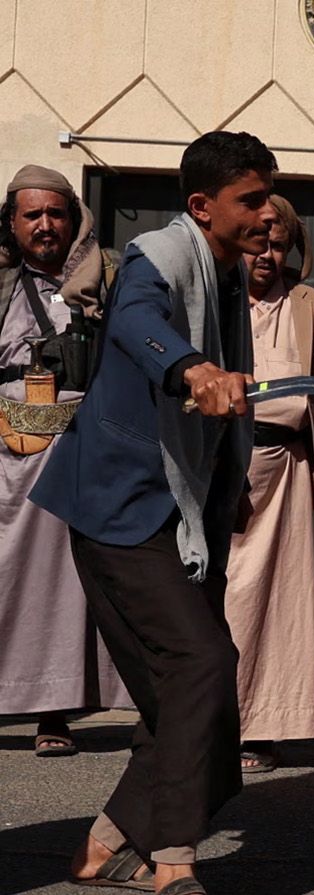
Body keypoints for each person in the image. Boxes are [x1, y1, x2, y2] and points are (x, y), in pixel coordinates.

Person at [34, 131, 275, 895]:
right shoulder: (159, 257)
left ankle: (103, 847)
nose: (270, 213)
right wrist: (191, 365)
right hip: (121, 505)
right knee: (201, 665)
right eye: (253, 200)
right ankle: (172, 860)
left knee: (183, 688)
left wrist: (226, 487)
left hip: (185, 512)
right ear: (202, 207)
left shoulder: (232, 274)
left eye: (269, 196)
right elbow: (138, 318)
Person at [0, 163, 127, 759]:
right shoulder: (0, 286)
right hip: (9, 465)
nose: (46, 225)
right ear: (13, 223)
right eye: (33, 215)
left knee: (69, 590)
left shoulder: (110, 281)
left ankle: (55, 711)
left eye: (56, 213)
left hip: (85, 454)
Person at [222, 195, 314, 774]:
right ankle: (212, 718)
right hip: (224, 464)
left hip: (288, 468)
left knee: (279, 600)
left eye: (279, 245)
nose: (268, 255)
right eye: (258, 243)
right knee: (223, 593)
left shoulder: (313, 304)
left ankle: (262, 726)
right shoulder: (215, 302)